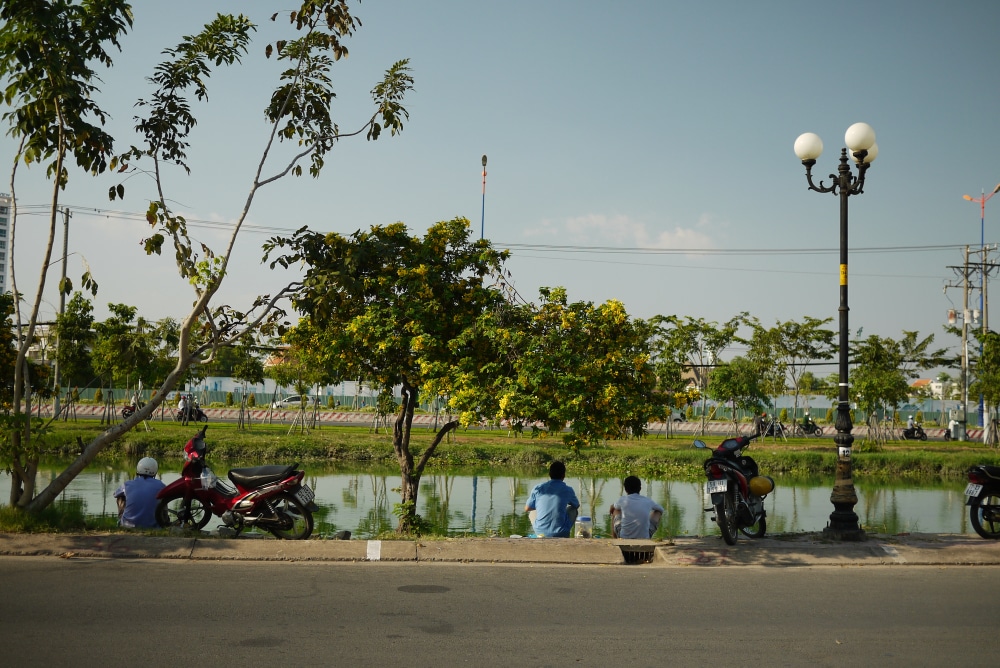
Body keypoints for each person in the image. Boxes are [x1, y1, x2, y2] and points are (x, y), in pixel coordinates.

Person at [524, 461, 580, 538]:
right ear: (563, 475)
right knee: (573, 509)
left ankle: (540, 533)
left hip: (540, 532)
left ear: (549, 474)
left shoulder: (538, 488)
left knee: (533, 511)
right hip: (561, 532)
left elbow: (527, 508)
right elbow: (576, 505)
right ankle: (564, 533)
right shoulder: (568, 490)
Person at [114, 457, 166, 529]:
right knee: (164, 499)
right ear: (155, 471)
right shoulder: (161, 485)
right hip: (154, 527)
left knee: (121, 497)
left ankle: (121, 520)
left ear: (138, 470)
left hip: (128, 526)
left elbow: (116, 494)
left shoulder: (127, 484)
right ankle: (164, 522)